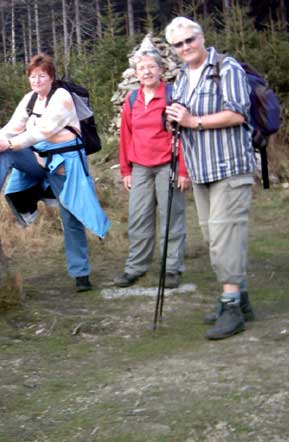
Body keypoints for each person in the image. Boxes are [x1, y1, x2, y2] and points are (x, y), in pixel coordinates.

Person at [0, 53, 110, 292]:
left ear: (51, 77)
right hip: (38, 160)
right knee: (3, 155)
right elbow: (14, 126)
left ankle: (81, 274)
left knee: (70, 215)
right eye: (32, 76)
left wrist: (8, 144)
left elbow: (43, 131)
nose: (37, 81)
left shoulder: (62, 97)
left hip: (64, 164)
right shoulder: (30, 99)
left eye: (42, 76)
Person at [164, 17, 256, 340]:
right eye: (178, 44)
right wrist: (176, 121)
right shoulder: (180, 77)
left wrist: (193, 121)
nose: (185, 47)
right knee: (213, 238)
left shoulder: (226, 68)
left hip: (230, 166)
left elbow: (238, 112)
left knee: (224, 236)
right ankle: (241, 300)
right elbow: (183, 117)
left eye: (190, 40)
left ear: (201, 38)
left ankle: (231, 308)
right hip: (201, 170)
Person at [115, 45, 190, 289]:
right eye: (141, 67)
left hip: (168, 165)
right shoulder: (132, 98)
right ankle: (135, 267)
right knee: (138, 219)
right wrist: (126, 170)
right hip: (140, 168)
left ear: (161, 69)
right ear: (136, 72)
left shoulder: (172, 95)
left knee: (171, 217)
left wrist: (183, 170)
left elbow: (184, 135)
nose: (146, 71)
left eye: (151, 67)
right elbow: (126, 135)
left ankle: (171, 268)